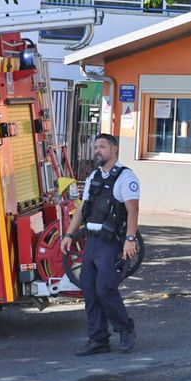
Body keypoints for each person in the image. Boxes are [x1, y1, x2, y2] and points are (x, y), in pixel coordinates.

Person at [60, 134, 140, 355]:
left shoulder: (126, 177)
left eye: (101, 147)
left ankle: (125, 329)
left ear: (113, 149)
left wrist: (130, 240)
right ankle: (98, 339)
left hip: (111, 245)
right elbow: (83, 209)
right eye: (95, 147)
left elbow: (133, 210)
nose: (97, 150)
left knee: (105, 288)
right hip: (92, 243)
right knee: (90, 291)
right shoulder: (94, 176)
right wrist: (68, 234)